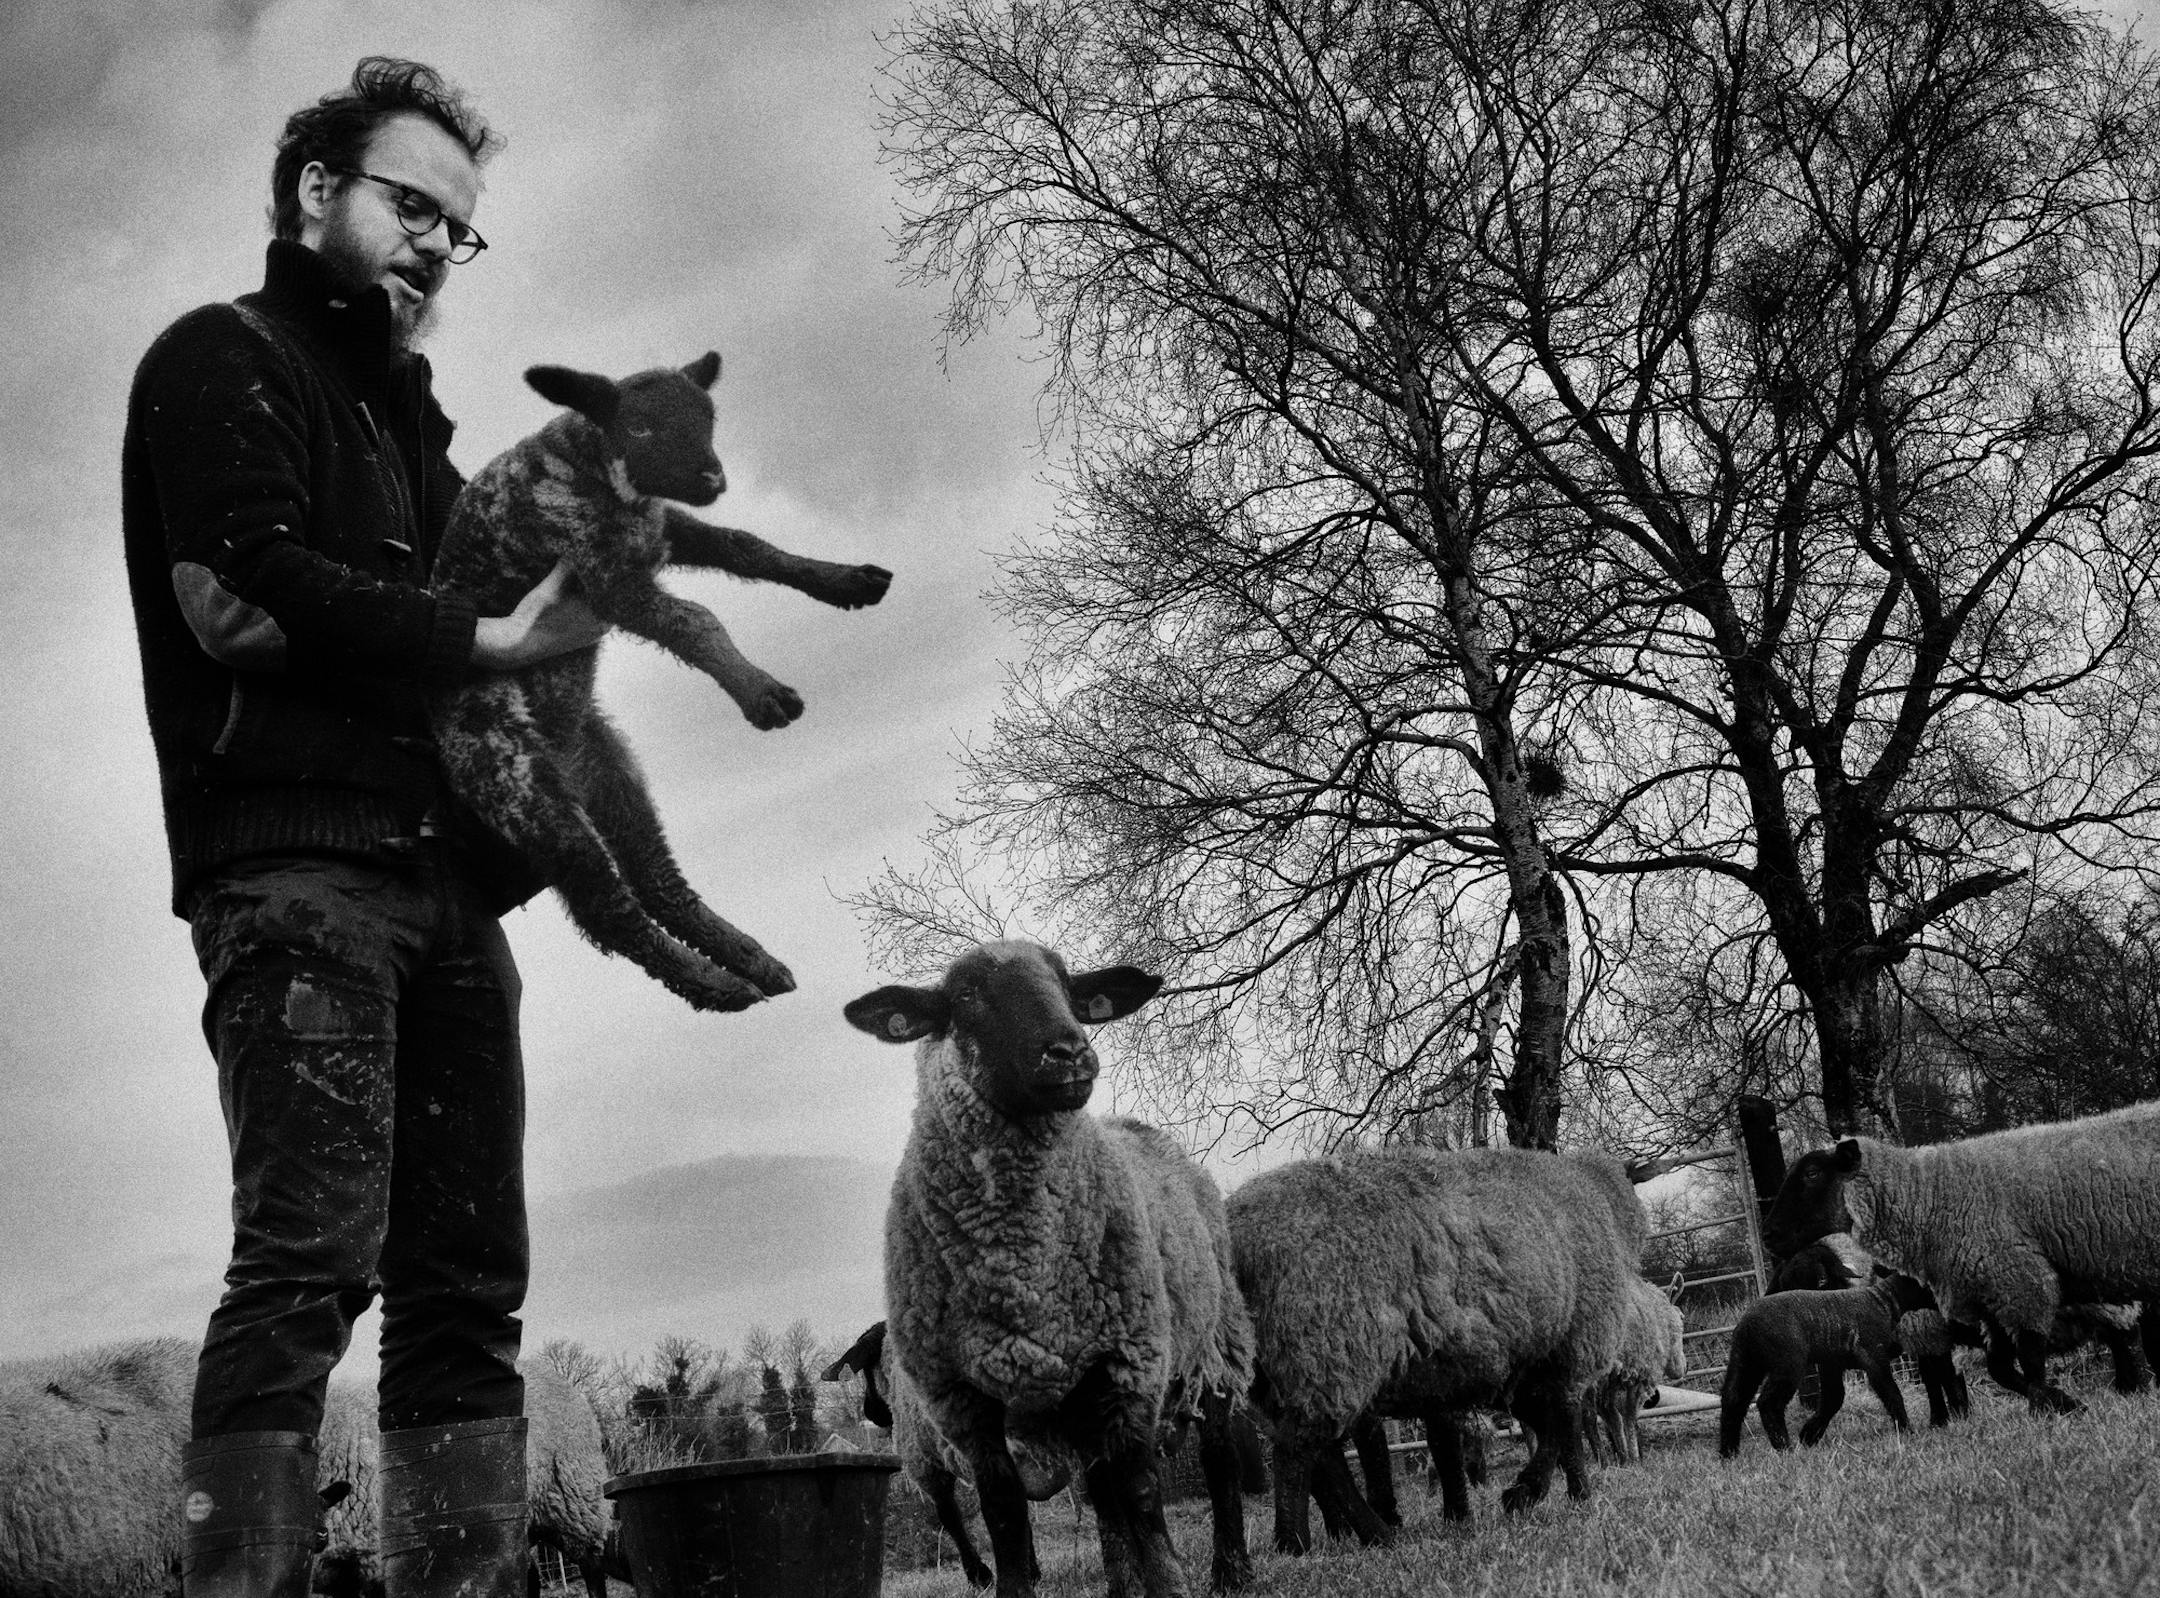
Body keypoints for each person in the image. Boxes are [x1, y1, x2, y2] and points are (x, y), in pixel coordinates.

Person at [121, 58, 604, 1598]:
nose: (432, 248)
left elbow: (489, 613)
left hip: (443, 892)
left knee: (468, 1292)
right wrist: (480, 642)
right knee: (310, 1264)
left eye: (458, 232)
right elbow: (240, 596)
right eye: (411, 205)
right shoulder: (222, 357)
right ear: (318, 190)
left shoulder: (415, 423)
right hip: (298, 877)